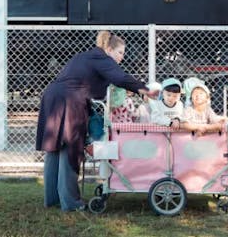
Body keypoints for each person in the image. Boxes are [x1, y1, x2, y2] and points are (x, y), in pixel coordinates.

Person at [35, 32, 156, 212]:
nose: (122, 58)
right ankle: (71, 203)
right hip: (70, 102)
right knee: (70, 149)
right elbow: (120, 78)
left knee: (54, 149)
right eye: (120, 52)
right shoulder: (102, 58)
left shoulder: (84, 56)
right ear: (109, 49)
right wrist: (143, 89)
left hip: (52, 98)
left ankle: (52, 200)